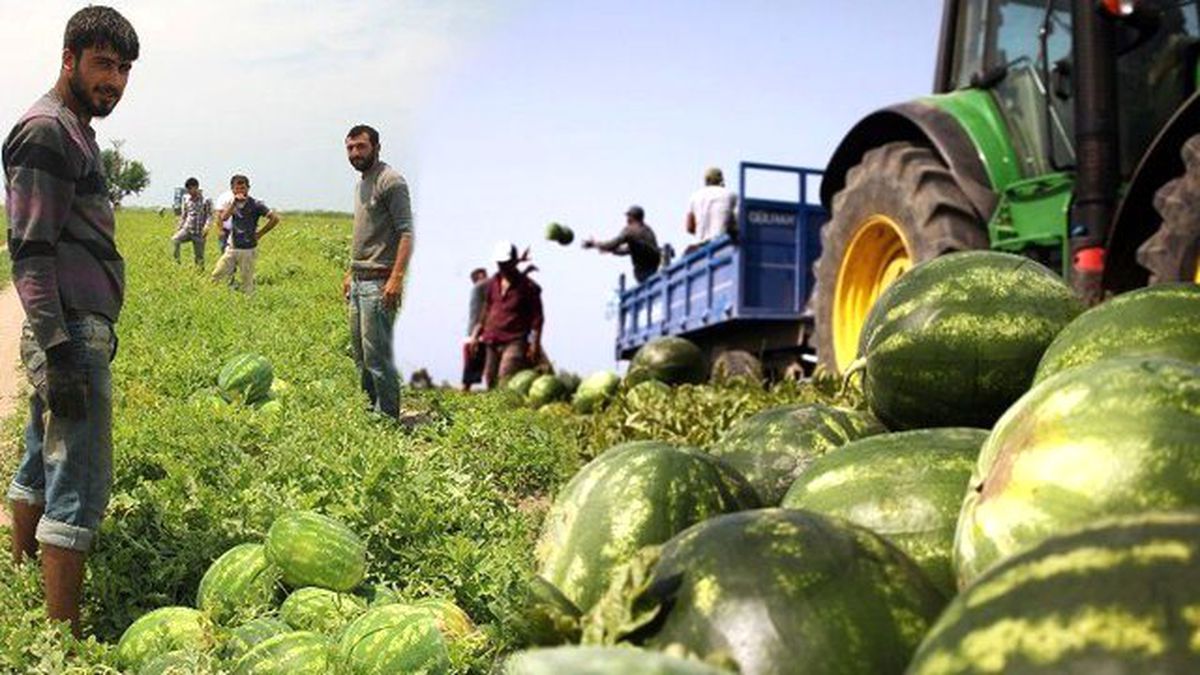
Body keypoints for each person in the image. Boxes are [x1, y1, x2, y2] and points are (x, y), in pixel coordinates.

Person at [2, 5, 138, 636]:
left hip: (74, 326)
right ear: (69, 60)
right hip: (69, 329)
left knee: (41, 455)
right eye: (103, 64)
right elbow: (29, 250)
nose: (114, 81)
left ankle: (22, 573)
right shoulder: (47, 130)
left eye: (124, 69)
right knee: (78, 478)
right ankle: (63, 639)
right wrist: (59, 350)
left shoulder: (74, 129)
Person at [342, 124, 413, 418]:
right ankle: (370, 411)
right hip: (359, 280)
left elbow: (407, 233)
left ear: (377, 147)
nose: (355, 153)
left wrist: (396, 278)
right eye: (350, 148)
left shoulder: (390, 181)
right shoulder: (362, 184)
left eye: (361, 146)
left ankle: (388, 418)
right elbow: (366, 234)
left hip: (379, 283)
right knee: (361, 355)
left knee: (378, 358)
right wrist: (350, 272)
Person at [470, 243, 544, 389]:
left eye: (505, 263)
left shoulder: (528, 287)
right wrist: (476, 333)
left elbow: (538, 319)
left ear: (514, 261)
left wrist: (534, 344)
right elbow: (487, 309)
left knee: (505, 377)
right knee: (490, 379)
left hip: (515, 341)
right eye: (500, 263)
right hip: (491, 339)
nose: (502, 267)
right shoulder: (493, 283)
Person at [211, 174, 279, 293]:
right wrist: (234, 203)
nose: (240, 191)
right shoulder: (233, 204)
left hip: (248, 249)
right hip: (232, 247)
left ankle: (249, 301)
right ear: (232, 190)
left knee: (247, 282)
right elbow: (224, 217)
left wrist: (260, 234)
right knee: (217, 274)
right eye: (237, 188)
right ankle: (220, 296)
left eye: (243, 188)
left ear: (248, 188)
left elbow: (275, 219)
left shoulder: (256, 204)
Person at [583, 205, 661, 283]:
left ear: (632, 217)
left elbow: (612, 244)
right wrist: (611, 250)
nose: (627, 219)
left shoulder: (630, 230)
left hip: (643, 271)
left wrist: (594, 244)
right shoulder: (648, 230)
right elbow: (629, 250)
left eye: (628, 216)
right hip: (654, 268)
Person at [686, 166, 738, 249]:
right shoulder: (731, 195)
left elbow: (689, 227)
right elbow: (738, 221)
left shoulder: (694, 197)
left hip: (700, 248)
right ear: (721, 180)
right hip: (721, 245)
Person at [171, 177, 211, 267]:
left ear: (196, 187)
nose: (189, 191)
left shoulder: (206, 200)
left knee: (199, 257)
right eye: (188, 189)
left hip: (199, 231)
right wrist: (179, 227)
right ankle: (176, 264)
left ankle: (199, 272)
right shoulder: (186, 198)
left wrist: (207, 226)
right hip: (187, 229)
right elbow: (184, 214)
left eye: (190, 189)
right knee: (175, 240)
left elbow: (209, 215)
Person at [461, 267, 488, 392]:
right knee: (471, 372)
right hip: (476, 335)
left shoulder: (481, 291)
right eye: (483, 275)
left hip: (476, 334)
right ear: (477, 278)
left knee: (475, 371)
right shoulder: (479, 287)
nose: (486, 277)